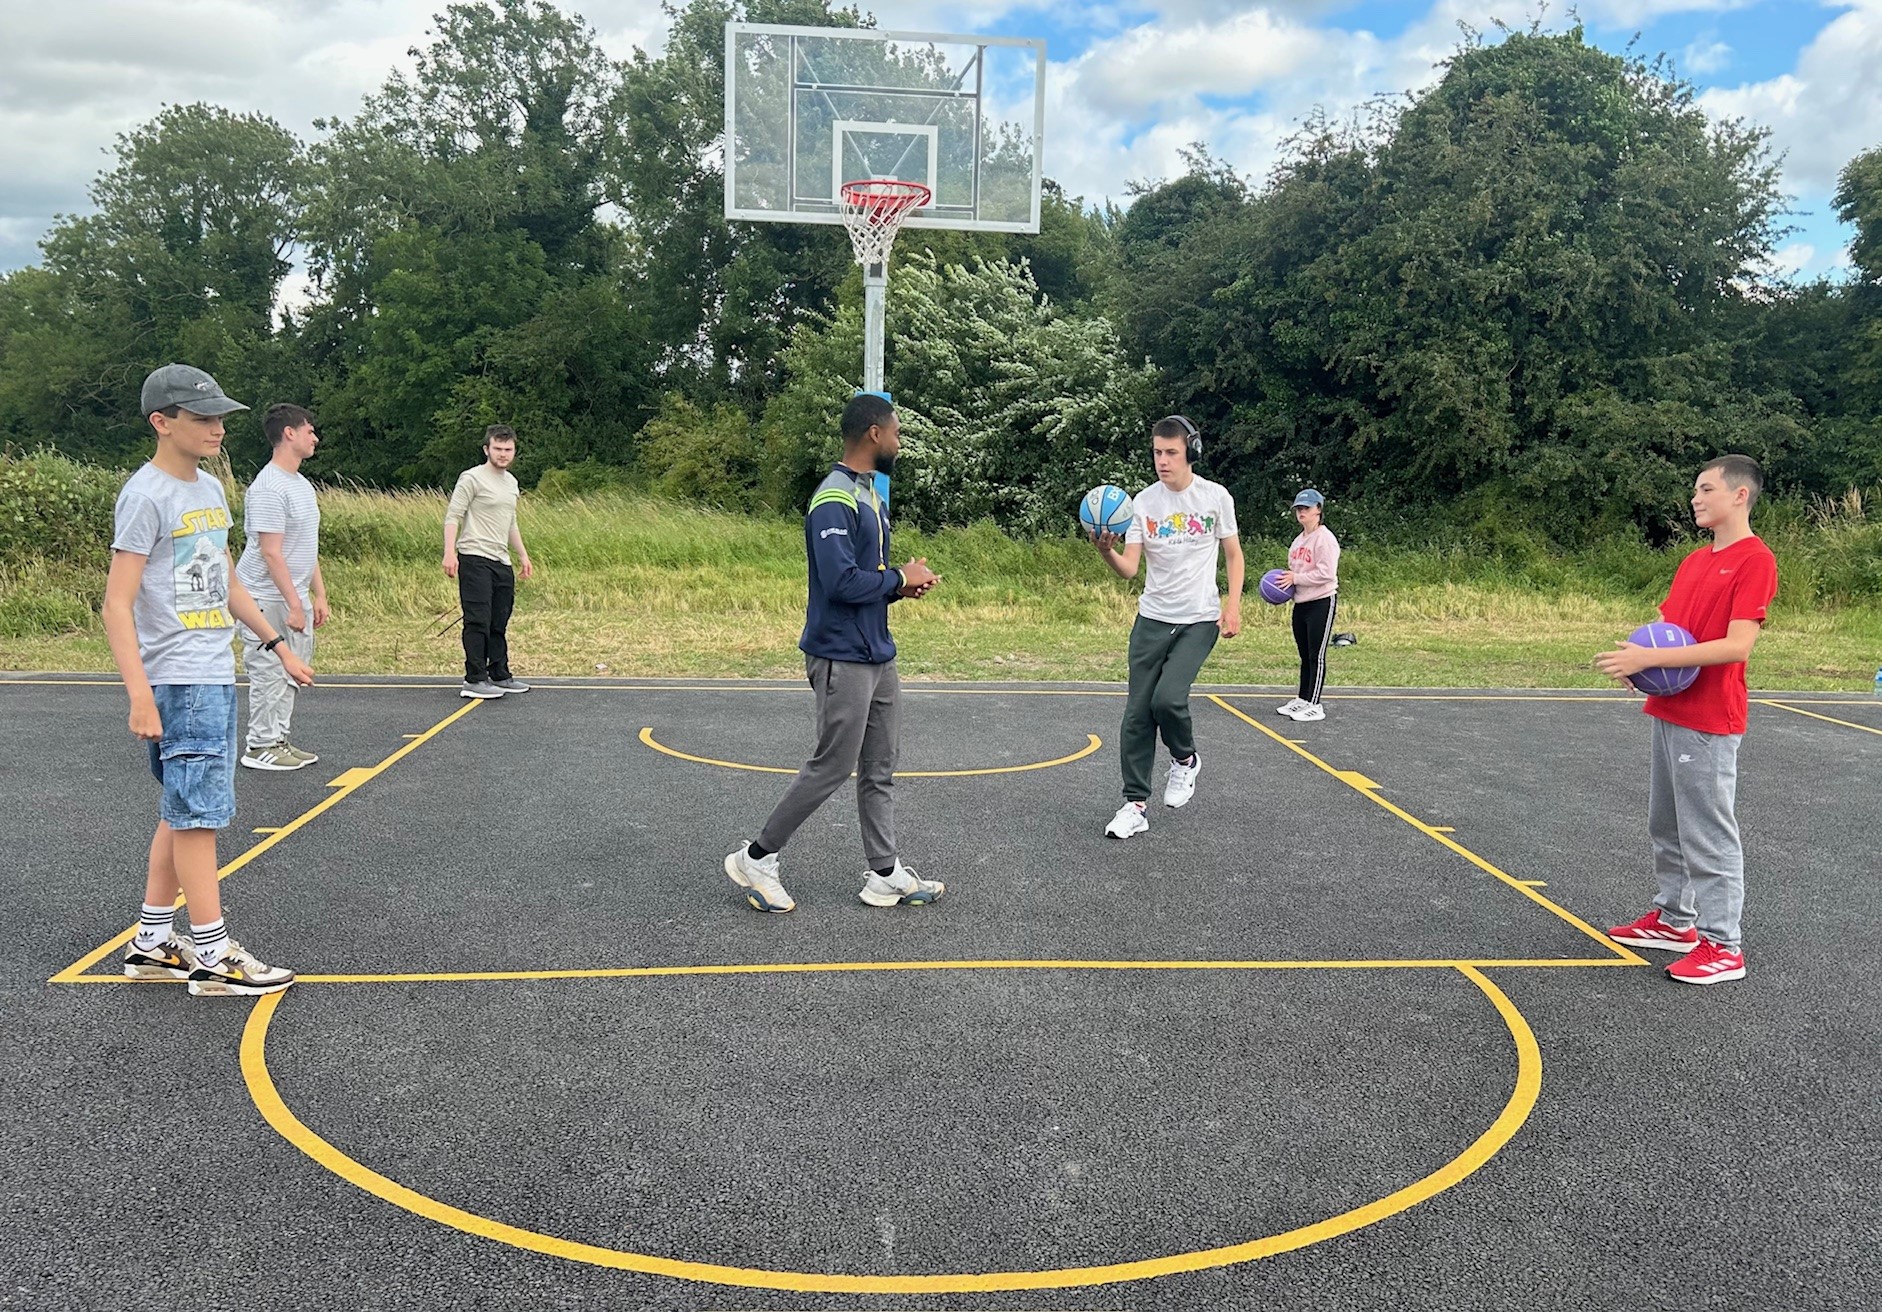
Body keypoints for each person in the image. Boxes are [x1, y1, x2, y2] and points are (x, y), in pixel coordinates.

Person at [104, 363, 314, 997]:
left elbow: (225, 579)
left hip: (213, 670)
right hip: (178, 678)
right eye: (202, 418)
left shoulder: (210, 492)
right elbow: (117, 603)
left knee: (181, 810)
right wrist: (139, 693)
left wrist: (275, 643)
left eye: (221, 417)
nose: (217, 428)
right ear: (161, 423)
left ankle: (151, 942)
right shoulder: (145, 496)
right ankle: (211, 952)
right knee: (198, 816)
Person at [723, 393, 944, 912]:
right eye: (895, 432)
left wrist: (899, 586)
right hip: (840, 654)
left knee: (880, 765)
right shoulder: (833, 497)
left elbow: (867, 577)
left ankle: (884, 872)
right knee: (831, 765)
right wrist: (896, 577)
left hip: (876, 652)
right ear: (873, 433)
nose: (898, 441)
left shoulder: (870, 496)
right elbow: (840, 580)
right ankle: (756, 858)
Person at [1596, 455, 1778, 986]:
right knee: (1667, 823)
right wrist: (1639, 663)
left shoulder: (1755, 560)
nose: (1696, 498)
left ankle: (1724, 945)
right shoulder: (1695, 561)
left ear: (1739, 496)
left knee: (1708, 831)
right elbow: (1670, 630)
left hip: (1709, 717)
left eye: (1706, 489)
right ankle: (1676, 921)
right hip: (1671, 707)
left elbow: (1737, 645)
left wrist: (1649, 660)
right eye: (1695, 489)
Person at [1090, 415, 1244, 840]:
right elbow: (1129, 569)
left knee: (1168, 700)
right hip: (1152, 620)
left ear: (1190, 452)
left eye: (1171, 452)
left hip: (1198, 618)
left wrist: (1232, 605)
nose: (1162, 460)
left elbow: (1233, 554)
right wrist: (1107, 552)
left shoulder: (1215, 497)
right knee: (1136, 715)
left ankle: (1185, 760)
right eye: (1157, 452)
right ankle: (1134, 804)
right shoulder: (1143, 503)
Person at [234, 404, 328, 770]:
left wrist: (317, 594)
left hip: (294, 594)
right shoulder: (268, 487)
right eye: (309, 430)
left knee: (294, 670)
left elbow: (306, 545)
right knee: (268, 669)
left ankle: (278, 739)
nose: (314, 438)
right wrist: (292, 602)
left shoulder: (301, 485)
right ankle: (259, 745)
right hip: (264, 596)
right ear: (289, 433)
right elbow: (271, 553)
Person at [444, 425, 534, 699]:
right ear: (487, 449)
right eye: (498, 448)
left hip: (500, 560)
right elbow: (453, 516)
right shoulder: (471, 478)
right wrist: (449, 552)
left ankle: (500, 673)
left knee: (499, 620)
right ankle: (474, 679)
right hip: (474, 556)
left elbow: (511, 523)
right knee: (478, 619)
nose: (503, 454)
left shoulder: (511, 483)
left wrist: (522, 555)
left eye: (508, 449)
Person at [1274, 488, 1340, 722]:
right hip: (1301, 602)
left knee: (1316, 655)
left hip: (1321, 601)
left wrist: (1297, 579)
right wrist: (1283, 588)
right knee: (1304, 654)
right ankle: (1302, 698)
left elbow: (1327, 574)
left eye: (1306, 508)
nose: (1301, 512)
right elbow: (1294, 572)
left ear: (1318, 510)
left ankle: (1315, 703)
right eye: (1298, 509)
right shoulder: (1298, 541)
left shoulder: (1325, 539)